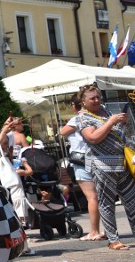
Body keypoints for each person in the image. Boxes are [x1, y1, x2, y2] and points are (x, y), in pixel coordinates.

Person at [76, 84, 135, 250]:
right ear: (84, 101)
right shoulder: (83, 117)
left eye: (98, 97)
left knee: (133, 200)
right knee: (106, 203)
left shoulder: (106, 111)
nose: (97, 100)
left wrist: (121, 123)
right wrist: (111, 122)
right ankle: (113, 240)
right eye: (92, 98)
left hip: (122, 163)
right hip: (102, 165)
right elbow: (93, 138)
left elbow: (116, 133)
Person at [59, 93, 103, 240]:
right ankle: (104, 229)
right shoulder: (97, 115)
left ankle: (94, 231)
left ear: (74, 105)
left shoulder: (77, 118)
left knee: (92, 197)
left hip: (82, 159)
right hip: (97, 157)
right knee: (101, 196)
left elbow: (62, 132)